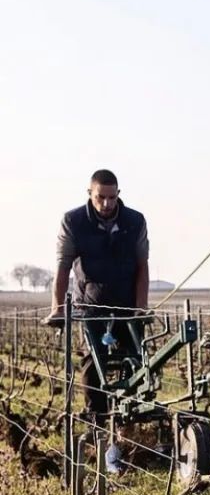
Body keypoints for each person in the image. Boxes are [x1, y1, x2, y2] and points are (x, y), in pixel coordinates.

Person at [43, 170, 150, 423]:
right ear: (90, 193)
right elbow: (63, 266)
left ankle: (131, 417)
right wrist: (58, 308)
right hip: (90, 303)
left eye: (112, 197)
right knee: (94, 359)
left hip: (126, 301)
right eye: (100, 197)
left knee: (135, 358)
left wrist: (141, 307)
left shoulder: (135, 221)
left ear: (118, 195)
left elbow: (142, 265)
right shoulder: (73, 221)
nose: (106, 204)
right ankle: (97, 419)